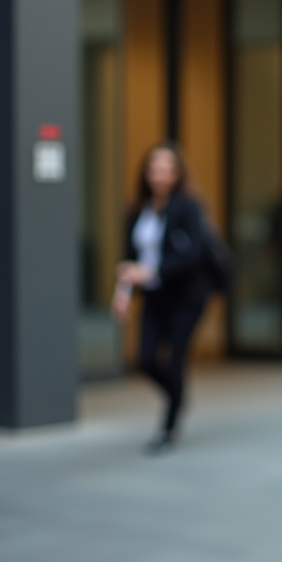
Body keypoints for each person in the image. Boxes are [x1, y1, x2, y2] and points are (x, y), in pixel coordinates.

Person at [111, 142, 212, 454]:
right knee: (146, 359)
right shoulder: (137, 210)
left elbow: (194, 255)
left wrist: (150, 270)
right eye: (154, 169)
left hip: (187, 296)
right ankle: (177, 396)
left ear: (177, 174)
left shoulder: (188, 208)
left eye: (166, 169)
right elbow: (130, 262)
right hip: (155, 296)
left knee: (176, 357)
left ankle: (168, 427)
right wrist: (123, 294)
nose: (159, 175)